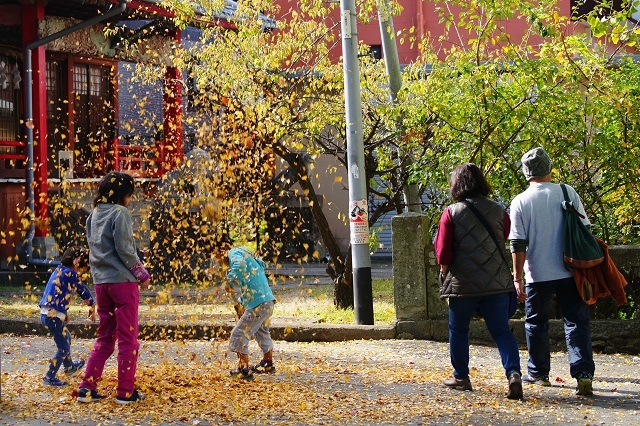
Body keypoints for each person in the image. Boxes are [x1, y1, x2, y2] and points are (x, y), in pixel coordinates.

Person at [510, 147, 595, 396]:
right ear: (549, 168)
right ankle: (583, 375)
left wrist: (518, 278)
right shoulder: (567, 192)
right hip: (571, 271)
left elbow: (517, 243)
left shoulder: (520, 201)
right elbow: (585, 229)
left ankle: (539, 374)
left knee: (536, 323)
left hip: (537, 274)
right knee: (577, 323)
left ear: (526, 173)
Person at [435, 163, 523, 400]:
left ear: (457, 184)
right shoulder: (498, 210)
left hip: (462, 283)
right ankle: (513, 373)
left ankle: (461, 376)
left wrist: (444, 272)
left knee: (459, 329)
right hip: (495, 282)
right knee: (501, 330)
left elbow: (443, 252)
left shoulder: (451, 213)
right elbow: (504, 235)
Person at [77, 171, 150, 404]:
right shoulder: (121, 213)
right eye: (129, 195)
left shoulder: (94, 215)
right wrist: (141, 273)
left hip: (101, 284)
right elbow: (125, 249)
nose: (130, 199)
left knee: (105, 337)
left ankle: (87, 387)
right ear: (123, 194)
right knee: (129, 339)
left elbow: (94, 249)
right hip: (122, 283)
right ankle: (125, 392)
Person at [212, 235, 276, 381]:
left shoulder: (234, 253)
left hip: (259, 304)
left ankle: (244, 370)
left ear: (222, 249)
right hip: (267, 300)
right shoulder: (246, 253)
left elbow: (238, 266)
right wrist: (241, 302)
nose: (218, 260)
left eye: (216, 255)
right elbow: (252, 279)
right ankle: (267, 363)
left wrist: (229, 280)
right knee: (262, 332)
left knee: (238, 334)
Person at [39, 246, 96, 387]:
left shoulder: (59, 270)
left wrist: (63, 314)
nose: (82, 271)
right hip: (53, 316)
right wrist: (92, 304)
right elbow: (82, 289)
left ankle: (69, 366)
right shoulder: (70, 273)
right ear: (77, 261)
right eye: (83, 266)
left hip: (48, 313)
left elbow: (56, 293)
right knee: (63, 348)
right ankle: (49, 376)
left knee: (67, 337)